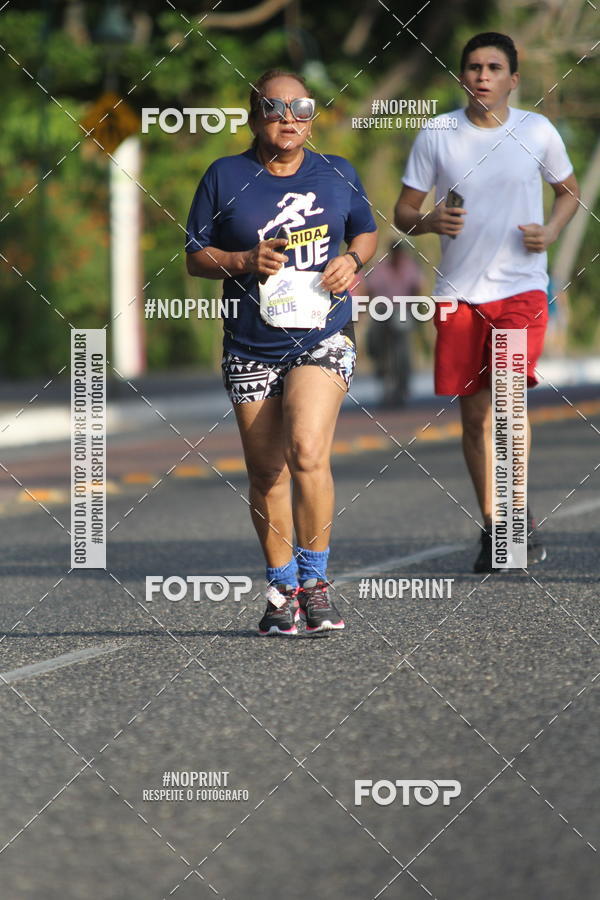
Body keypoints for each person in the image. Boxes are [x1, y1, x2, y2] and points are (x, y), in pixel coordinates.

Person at [185, 69, 377, 632]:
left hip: (323, 335)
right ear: (254, 116)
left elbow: (366, 231)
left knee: (306, 450)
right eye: (274, 108)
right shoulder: (225, 175)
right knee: (267, 472)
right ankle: (282, 591)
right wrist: (243, 261)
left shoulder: (338, 172)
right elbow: (195, 255)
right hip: (250, 342)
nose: (288, 118)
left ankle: (315, 583)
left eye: (301, 108)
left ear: (313, 118)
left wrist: (352, 260)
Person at [394, 32, 579, 572]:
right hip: (458, 295)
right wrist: (430, 221)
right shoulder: (438, 133)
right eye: (474, 67)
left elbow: (568, 192)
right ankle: (495, 523)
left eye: (494, 67)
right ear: (462, 76)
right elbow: (403, 212)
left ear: (513, 79)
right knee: (475, 415)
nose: (483, 76)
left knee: (509, 397)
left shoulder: (537, 131)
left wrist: (550, 231)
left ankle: (517, 517)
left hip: (521, 288)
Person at [363, 242, 425, 406]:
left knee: (403, 346)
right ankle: (380, 365)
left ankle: (404, 380)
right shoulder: (380, 267)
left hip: (402, 310)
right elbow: (371, 290)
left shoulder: (410, 267)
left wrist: (414, 310)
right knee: (374, 337)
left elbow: (416, 289)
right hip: (383, 310)